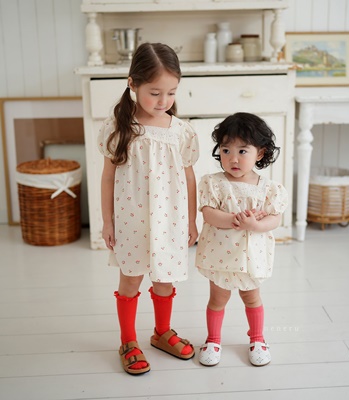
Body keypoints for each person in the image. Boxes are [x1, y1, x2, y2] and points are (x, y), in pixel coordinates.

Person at [98, 42, 199, 375]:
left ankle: (161, 332)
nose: (163, 101)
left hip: (170, 220)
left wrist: (191, 221)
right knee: (130, 280)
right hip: (131, 220)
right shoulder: (120, 129)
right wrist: (108, 222)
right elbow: (108, 177)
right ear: (133, 84)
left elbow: (189, 178)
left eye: (171, 93)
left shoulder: (181, 131)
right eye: (155, 93)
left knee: (165, 279)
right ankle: (128, 341)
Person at [195, 112, 288, 367]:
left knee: (252, 298)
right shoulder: (214, 183)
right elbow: (208, 214)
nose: (233, 158)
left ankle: (257, 339)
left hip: (250, 257)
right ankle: (213, 340)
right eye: (226, 150)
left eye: (242, 151)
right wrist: (235, 219)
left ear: (260, 153)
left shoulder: (268, 188)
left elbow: (275, 219)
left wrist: (256, 225)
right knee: (218, 298)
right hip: (220, 254)